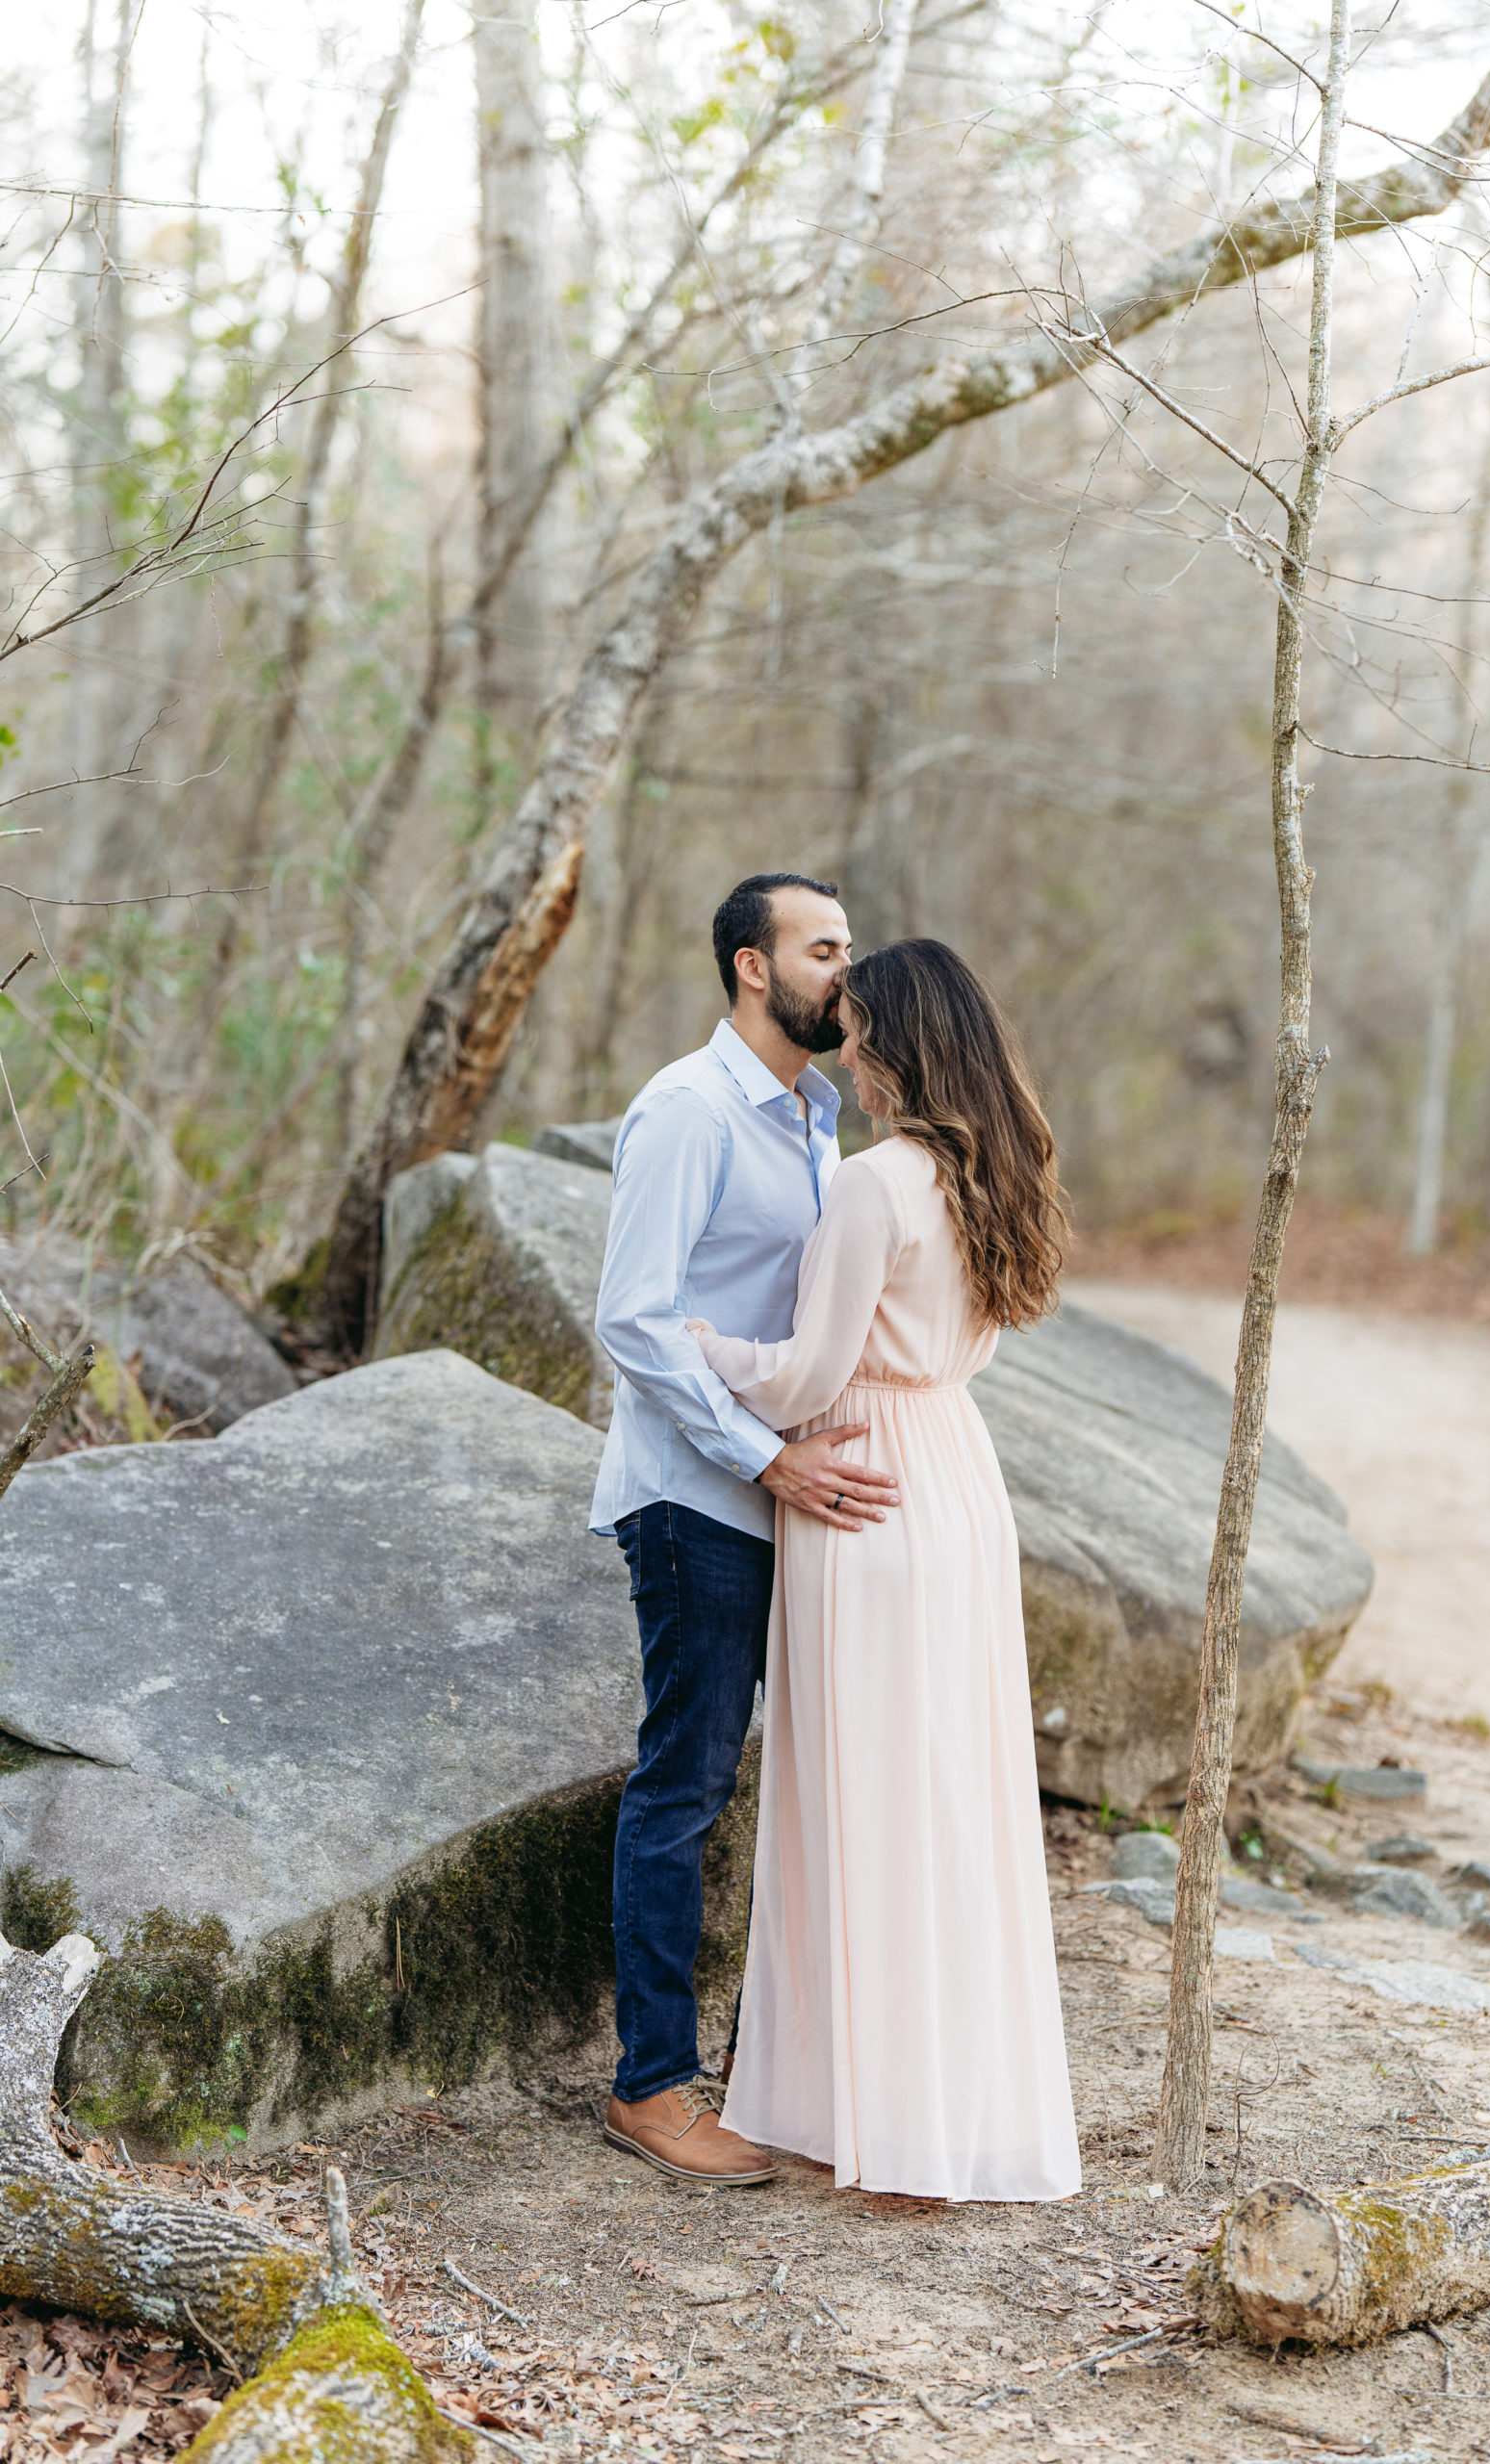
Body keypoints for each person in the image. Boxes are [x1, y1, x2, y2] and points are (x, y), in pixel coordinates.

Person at [688, 939, 1081, 2202]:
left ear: (904, 1043)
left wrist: (709, 1350)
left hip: (862, 1490)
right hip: (956, 1478)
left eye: (858, 1034)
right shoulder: (1003, 1172)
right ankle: (937, 2110)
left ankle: (884, 2120)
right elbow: (969, 1346)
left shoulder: (877, 1186)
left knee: (861, 1801)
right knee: (948, 1800)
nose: (845, 1057)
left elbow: (806, 1376)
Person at [590, 872, 900, 2188]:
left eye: (850, 946)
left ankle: (785, 2071)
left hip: (785, 1493)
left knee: (797, 1787)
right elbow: (635, 1321)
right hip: (696, 1500)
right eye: (824, 950)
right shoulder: (688, 1110)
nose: (849, 970)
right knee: (684, 1785)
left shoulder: (817, 1117)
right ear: (750, 969)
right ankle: (652, 2087)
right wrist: (763, 1456)